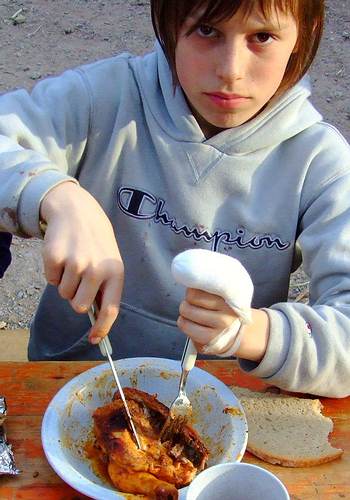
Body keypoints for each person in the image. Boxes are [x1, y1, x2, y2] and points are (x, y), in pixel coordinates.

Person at [0, 0, 349, 397]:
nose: (230, 70)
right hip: (66, 382)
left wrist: (251, 332)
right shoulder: (105, 99)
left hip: (219, 404)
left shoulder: (320, 162)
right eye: (207, 31)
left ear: (302, 37)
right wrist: (58, 197)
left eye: (262, 37)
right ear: (168, 25)